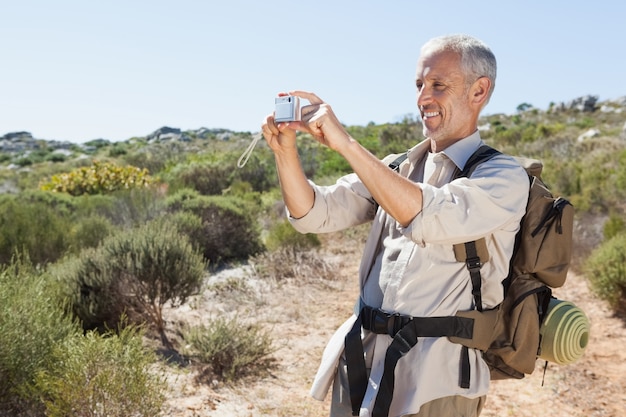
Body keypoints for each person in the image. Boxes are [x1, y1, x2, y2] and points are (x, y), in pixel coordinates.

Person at [261, 34, 529, 417]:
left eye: (438, 85)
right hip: (362, 361)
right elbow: (314, 213)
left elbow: (427, 215)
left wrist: (347, 144)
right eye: (420, 84)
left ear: (479, 91)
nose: (423, 97)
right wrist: (285, 153)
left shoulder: (502, 177)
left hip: (436, 381)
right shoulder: (397, 167)